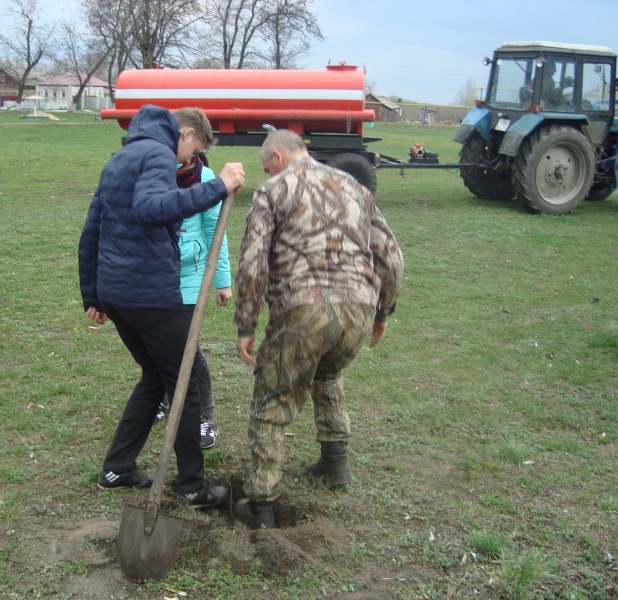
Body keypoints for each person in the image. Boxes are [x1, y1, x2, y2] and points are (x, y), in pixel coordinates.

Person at [231, 130, 403, 529]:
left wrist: (246, 324)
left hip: (302, 308)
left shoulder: (273, 190)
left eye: (265, 166)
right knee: (326, 368)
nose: (266, 172)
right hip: (358, 308)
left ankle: (261, 504)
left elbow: (251, 264)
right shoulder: (355, 187)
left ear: (277, 156)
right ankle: (334, 459)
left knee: (273, 400)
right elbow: (391, 258)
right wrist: (382, 313)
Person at [78, 104, 244, 508]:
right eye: (193, 151)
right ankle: (192, 487)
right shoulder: (156, 153)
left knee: (154, 376)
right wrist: (216, 187)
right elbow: (152, 209)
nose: (189, 161)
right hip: (149, 293)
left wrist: (94, 294)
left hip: (118, 293)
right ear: (184, 133)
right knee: (181, 383)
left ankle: (117, 468)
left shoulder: (120, 158)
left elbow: (93, 229)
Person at [155, 153, 232, 450]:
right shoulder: (152, 169)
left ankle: (205, 416)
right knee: (159, 342)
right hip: (156, 270)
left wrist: (222, 280)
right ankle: (164, 398)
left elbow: (216, 230)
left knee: (187, 346)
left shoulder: (204, 177)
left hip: (191, 271)